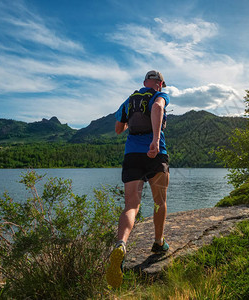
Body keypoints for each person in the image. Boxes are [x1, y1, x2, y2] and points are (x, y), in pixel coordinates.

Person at [106, 70, 170, 289]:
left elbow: (118, 129)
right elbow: (158, 107)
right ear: (160, 84)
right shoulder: (158, 95)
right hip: (155, 153)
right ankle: (158, 243)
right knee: (159, 201)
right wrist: (154, 140)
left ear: (144, 82)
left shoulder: (129, 100)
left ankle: (121, 245)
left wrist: (130, 123)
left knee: (131, 205)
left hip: (132, 155)